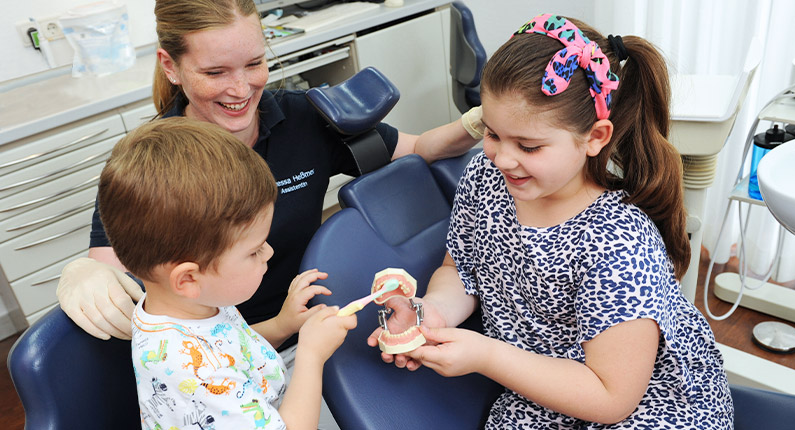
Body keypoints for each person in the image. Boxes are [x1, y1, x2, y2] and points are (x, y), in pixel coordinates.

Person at [369, 14, 734, 429]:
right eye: (491, 134)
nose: (503, 158)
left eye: (528, 146)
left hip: (644, 404)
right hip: (536, 387)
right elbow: (460, 269)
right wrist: (431, 312)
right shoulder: (486, 179)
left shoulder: (618, 242)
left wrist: (486, 355)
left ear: (595, 138)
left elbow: (612, 397)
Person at [56, 0, 483, 346]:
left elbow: (417, 149)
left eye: (254, 64)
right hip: (222, 351)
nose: (241, 90)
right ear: (171, 66)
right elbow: (115, 272)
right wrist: (83, 272)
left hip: (316, 317)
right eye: (214, 72)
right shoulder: (153, 163)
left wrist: (486, 123)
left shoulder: (303, 117)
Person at [99, 116, 357, 429]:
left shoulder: (193, 304)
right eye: (254, 250)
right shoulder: (191, 370)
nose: (269, 253)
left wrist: (281, 324)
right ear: (188, 279)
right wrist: (311, 356)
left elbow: (230, 351)